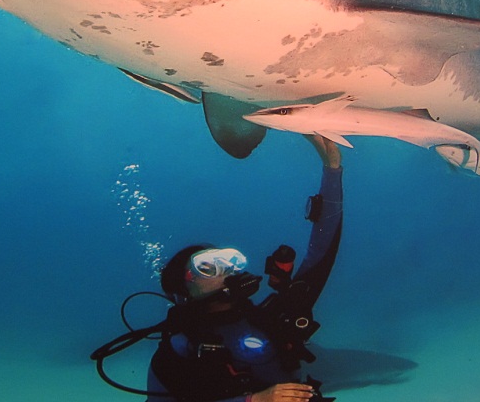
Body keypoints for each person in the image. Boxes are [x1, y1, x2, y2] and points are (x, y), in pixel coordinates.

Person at [145, 134, 343, 402]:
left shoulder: (272, 319)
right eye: (208, 267)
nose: (225, 270)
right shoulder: (179, 349)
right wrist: (254, 401)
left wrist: (332, 170)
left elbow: (322, 252)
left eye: (228, 262)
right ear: (186, 286)